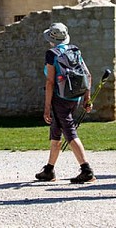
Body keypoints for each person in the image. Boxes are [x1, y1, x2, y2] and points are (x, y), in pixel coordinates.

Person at [34, 23, 95, 184]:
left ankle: (86, 170)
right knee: (56, 132)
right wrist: (87, 99)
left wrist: (46, 108)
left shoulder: (52, 54)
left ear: (51, 39)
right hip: (74, 97)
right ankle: (49, 170)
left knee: (69, 132)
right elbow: (88, 75)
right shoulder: (74, 50)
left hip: (59, 99)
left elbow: (50, 82)